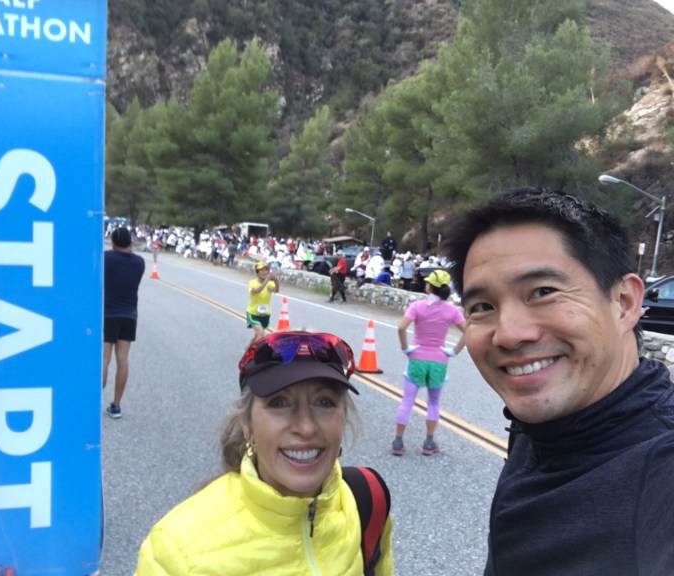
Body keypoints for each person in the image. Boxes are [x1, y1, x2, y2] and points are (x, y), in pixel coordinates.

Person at [443, 187, 674, 576]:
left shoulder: (662, 474)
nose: (508, 335)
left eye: (543, 292)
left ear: (624, 303)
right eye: (483, 306)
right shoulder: (544, 426)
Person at [135, 331, 394, 575]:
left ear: (343, 419)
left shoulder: (367, 501)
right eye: (279, 403)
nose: (305, 427)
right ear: (247, 425)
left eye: (324, 402)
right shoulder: (177, 552)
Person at [391, 269, 465, 456]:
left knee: (407, 401)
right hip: (439, 360)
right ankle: (429, 442)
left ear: (430, 287)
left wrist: (406, 348)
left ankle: (398, 441)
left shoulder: (417, 306)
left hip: (417, 358)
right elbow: (469, 331)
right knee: (433, 402)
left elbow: (401, 327)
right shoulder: (452, 310)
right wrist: (455, 350)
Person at [103, 226, 145, 418]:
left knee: (104, 359)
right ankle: (116, 405)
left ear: (112, 242)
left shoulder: (106, 259)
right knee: (123, 360)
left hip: (109, 313)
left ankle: (95, 401)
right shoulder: (139, 263)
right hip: (129, 315)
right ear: (130, 242)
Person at [246, 261, 280, 345]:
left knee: (257, 335)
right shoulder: (252, 282)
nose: (264, 272)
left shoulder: (270, 284)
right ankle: (256, 352)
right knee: (260, 334)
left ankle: (248, 349)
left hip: (265, 314)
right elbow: (257, 290)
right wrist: (266, 280)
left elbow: (276, 290)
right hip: (253, 313)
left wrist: (276, 280)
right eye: (262, 270)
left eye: (266, 270)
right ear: (257, 272)